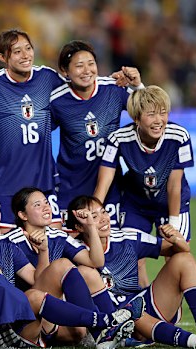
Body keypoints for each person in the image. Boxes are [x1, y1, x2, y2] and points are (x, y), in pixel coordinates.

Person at [0, 188, 142, 349]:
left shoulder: (6, 247)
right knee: (32, 297)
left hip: (22, 320)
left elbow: (38, 279)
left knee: (63, 266)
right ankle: (105, 322)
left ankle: (102, 332)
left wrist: (43, 251)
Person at [66, 196, 196, 349]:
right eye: (93, 217)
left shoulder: (127, 238)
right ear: (79, 226)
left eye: (104, 212)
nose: (103, 219)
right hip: (112, 322)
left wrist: (176, 239)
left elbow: (181, 250)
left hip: (142, 305)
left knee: (184, 259)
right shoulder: (72, 252)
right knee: (130, 312)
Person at [50, 40, 143, 229]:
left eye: (91, 63)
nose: (87, 70)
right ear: (65, 71)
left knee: (108, 247)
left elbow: (147, 111)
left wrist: (138, 86)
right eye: (79, 65)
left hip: (110, 187)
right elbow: (37, 134)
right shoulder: (57, 100)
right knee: (70, 249)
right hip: (71, 186)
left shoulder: (113, 89)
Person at [0, 29, 65, 224]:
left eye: (28, 48)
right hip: (5, 182)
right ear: (3, 57)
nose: (25, 55)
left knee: (53, 240)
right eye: (17, 51)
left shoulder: (47, 78)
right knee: (6, 244)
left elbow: (72, 102)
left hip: (43, 180)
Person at [94, 85, 194, 241]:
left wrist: (173, 223)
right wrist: (95, 211)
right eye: (151, 114)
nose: (158, 120)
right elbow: (104, 181)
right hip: (136, 204)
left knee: (176, 255)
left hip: (171, 205)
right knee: (133, 256)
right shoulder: (118, 138)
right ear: (136, 118)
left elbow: (175, 184)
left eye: (163, 113)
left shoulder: (179, 136)